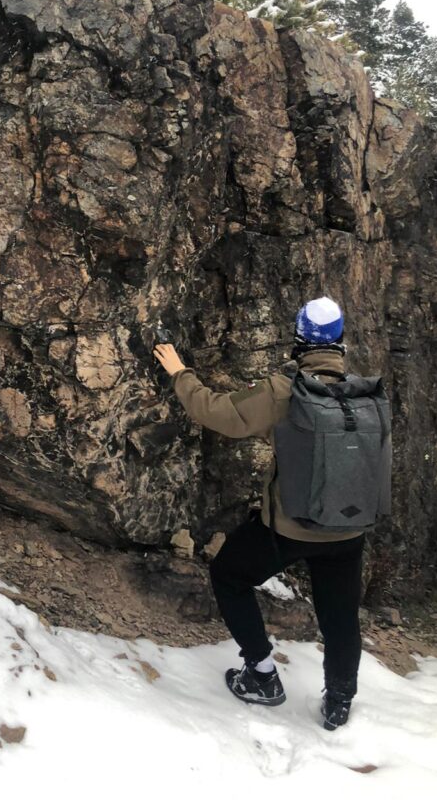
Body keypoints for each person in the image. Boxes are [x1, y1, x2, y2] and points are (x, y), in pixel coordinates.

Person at [153, 296, 371, 731]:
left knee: (229, 575)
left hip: (289, 528)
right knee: (341, 616)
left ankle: (261, 674)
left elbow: (221, 414)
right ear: (340, 341)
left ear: (299, 339)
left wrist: (180, 372)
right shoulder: (364, 391)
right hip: (348, 531)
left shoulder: (286, 389)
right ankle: (339, 701)